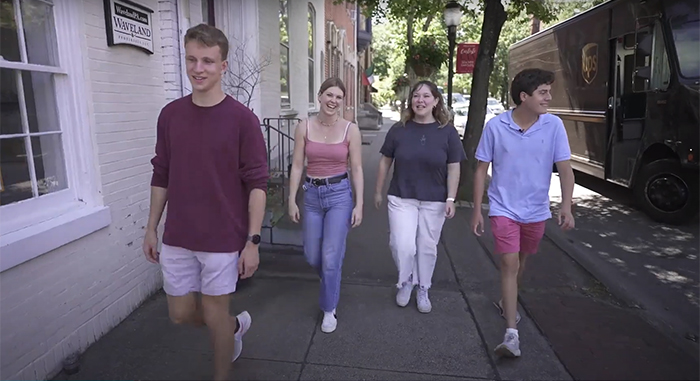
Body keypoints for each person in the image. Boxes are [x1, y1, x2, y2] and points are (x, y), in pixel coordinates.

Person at [142, 24, 269, 380]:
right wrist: (151, 227)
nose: (198, 68)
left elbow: (257, 183)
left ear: (223, 66)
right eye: (192, 59)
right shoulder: (170, 115)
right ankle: (232, 329)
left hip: (223, 237)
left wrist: (252, 241)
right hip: (179, 234)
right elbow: (161, 174)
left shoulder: (243, 121)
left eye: (208, 61)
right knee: (180, 314)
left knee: (214, 314)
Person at [471, 68, 575, 358]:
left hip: (536, 211)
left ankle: (508, 300)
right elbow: (481, 170)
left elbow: (565, 170)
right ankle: (511, 333)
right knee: (508, 263)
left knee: (521, 260)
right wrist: (477, 210)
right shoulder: (496, 126)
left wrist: (566, 205)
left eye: (548, 91)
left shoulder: (553, 126)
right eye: (543, 92)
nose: (548, 97)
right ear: (524, 96)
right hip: (503, 208)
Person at [374, 80, 466, 314]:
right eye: (416, 96)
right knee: (401, 245)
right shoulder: (399, 129)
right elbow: (385, 160)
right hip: (402, 196)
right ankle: (405, 281)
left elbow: (454, 166)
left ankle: (423, 287)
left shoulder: (447, 132)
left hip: (435, 199)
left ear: (436, 101)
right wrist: (378, 190)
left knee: (427, 247)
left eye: (426, 96)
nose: (420, 100)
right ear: (411, 100)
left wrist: (451, 198)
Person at [287, 77, 364, 334]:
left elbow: (356, 168)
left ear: (342, 102)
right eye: (329, 95)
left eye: (338, 97)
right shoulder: (304, 127)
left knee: (330, 258)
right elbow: (298, 165)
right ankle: (331, 277)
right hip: (311, 196)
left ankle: (329, 307)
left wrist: (359, 204)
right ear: (319, 96)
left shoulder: (350, 130)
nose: (333, 101)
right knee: (312, 255)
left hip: (340, 195)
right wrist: (291, 199)